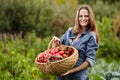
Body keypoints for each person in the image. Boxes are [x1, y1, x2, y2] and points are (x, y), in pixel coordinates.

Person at [52, 4, 99, 80]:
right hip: (61, 76)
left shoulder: (91, 36)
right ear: (77, 18)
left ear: (90, 18)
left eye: (86, 16)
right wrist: (55, 44)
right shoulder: (70, 31)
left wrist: (71, 71)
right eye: (81, 16)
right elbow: (56, 52)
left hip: (77, 77)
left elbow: (89, 61)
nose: (83, 18)